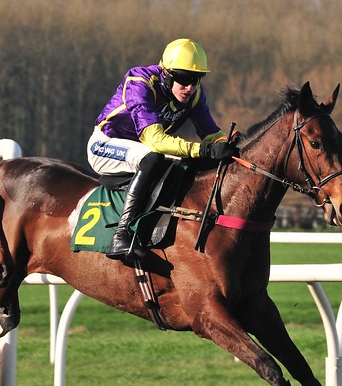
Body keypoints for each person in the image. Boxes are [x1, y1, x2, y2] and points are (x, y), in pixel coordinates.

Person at [86, 38, 240, 262]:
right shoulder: (139, 82)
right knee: (153, 158)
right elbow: (155, 140)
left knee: (185, 163)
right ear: (166, 73)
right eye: (184, 79)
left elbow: (210, 133)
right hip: (105, 144)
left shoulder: (194, 95)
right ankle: (122, 235)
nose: (190, 87)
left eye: (196, 79)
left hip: (143, 147)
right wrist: (203, 150)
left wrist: (232, 143)